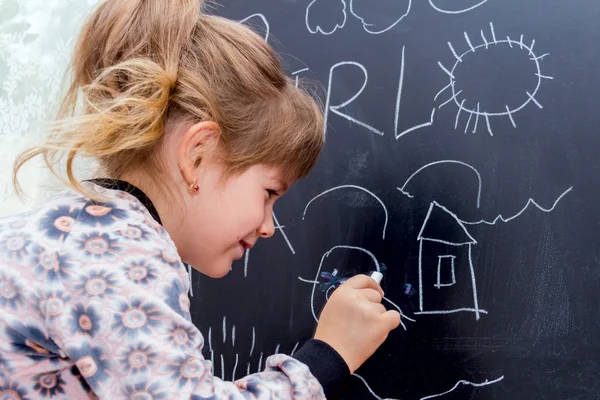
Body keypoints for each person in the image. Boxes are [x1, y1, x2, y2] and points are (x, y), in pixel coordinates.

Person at [0, 0, 401, 398]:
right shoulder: (119, 252)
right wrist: (328, 357)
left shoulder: (81, 231)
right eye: (268, 194)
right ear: (197, 154)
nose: (269, 226)